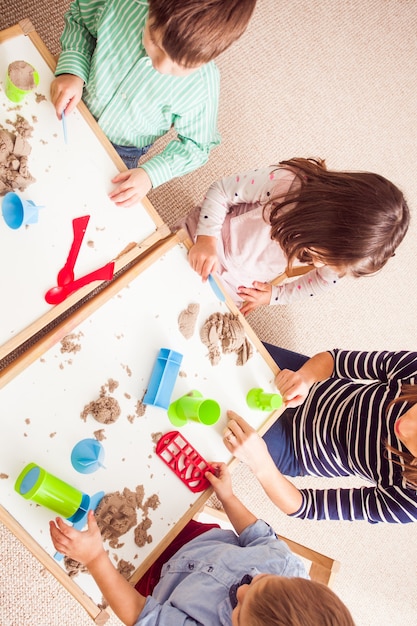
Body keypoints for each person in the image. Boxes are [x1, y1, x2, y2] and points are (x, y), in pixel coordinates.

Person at [49, 463, 355, 625]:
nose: (243, 588)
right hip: (193, 536)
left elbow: (140, 615)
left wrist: (95, 558)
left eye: (241, 609)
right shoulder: (287, 567)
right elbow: (255, 534)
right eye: (262, 580)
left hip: (154, 585)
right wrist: (228, 497)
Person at [50, 0, 257, 207]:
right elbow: (80, 18)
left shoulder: (202, 87)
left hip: (122, 149)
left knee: (81, 202)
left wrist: (150, 175)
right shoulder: (121, 5)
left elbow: (197, 146)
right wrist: (73, 69)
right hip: (76, 102)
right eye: (155, 43)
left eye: (182, 65)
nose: (161, 66)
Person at [178, 158, 410, 315]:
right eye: (321, 254)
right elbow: (221, 191)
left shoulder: (342, 256)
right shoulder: (286, 184)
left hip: (238, 282)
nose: (317, 264)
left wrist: (274, 296)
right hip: (207, 239)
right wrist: (206, 239)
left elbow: (321, 282)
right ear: (325, 220)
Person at [223, 345, 417, 524]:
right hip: (314, 384)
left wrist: (260, 462)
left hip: (293, 447)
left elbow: (306, 506)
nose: (405, 425)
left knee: (220, 421)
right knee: (230, 347)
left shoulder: (410, 500)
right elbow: (335, 360)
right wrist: (305, 378)